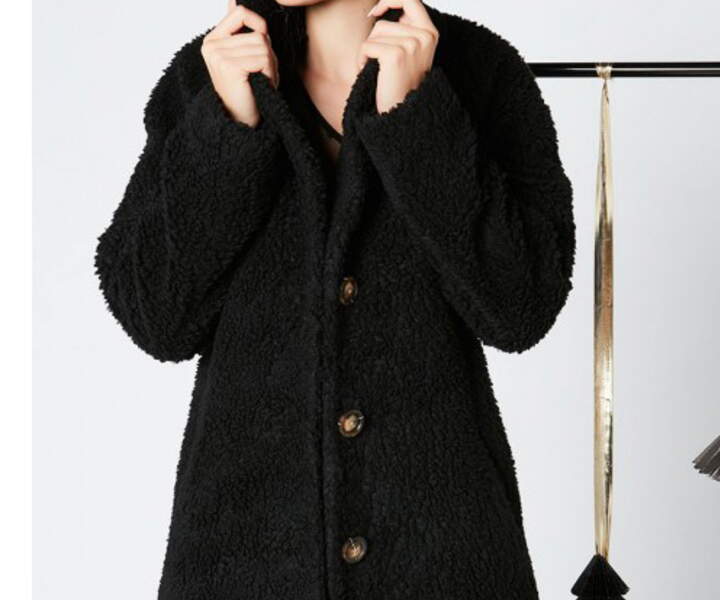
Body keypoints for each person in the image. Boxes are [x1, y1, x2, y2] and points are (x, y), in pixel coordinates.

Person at [95, 0, 575, 598]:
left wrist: (416, 115)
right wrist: (225, 126)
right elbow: (153, 314)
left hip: (444, 561)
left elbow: (521, 306)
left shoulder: (479, 69)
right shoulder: (207, 76)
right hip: (242, 558)